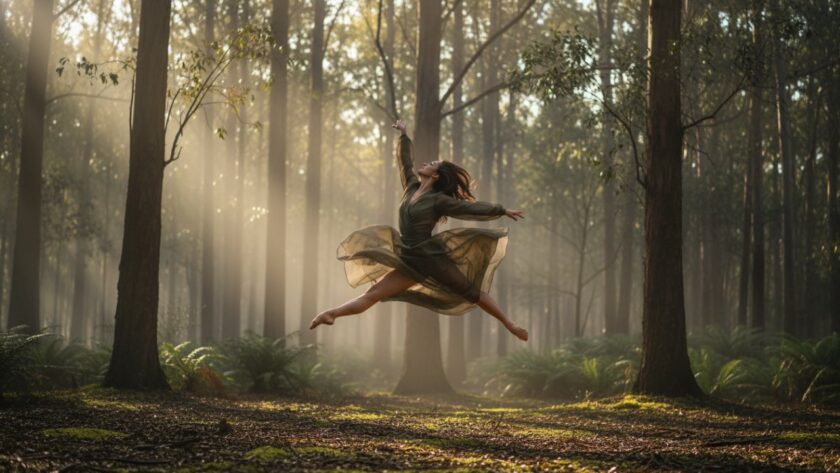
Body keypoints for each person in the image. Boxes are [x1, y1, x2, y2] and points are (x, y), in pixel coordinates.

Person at [309, 119, 528, 341]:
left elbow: (468, 207)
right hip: (409, 258)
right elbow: (405, 163)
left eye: (433, 163)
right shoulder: (411, 188)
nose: (427, 163)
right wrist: (404, 135)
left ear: (436, 175)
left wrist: (501, 210)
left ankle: (510, 325)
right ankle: (331, 314)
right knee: (373, 294)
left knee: (472, 293)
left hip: (431, 258)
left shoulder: (438, 200)